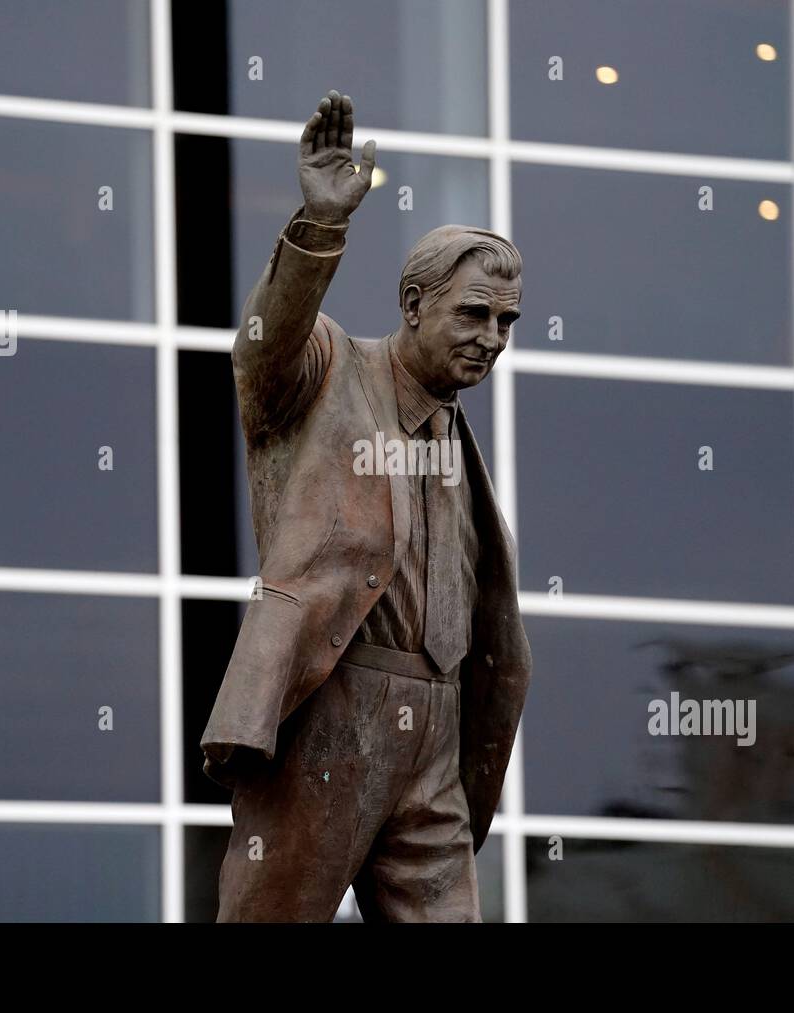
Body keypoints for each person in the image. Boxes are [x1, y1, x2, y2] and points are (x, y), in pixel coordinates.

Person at [200, 90, 531, 922]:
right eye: (473, 313)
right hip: (332, 711)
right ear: (413, 305)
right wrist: (319, 228)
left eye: (506, 321)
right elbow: (259, 354)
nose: (490, 336)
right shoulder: (329, 369)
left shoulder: (455, 438)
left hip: (437, 738)